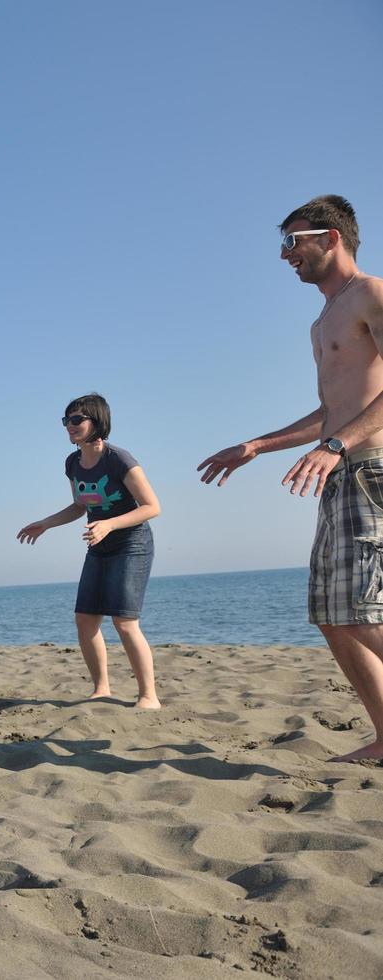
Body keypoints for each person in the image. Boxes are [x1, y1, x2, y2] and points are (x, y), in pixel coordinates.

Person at [198, 194, 383, 761]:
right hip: (338, 470)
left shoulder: (372, 294)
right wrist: (259, 445)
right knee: (331, 615)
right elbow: (331, 410)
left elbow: (349, 422)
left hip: (370, 468)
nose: (285, 256)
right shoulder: (322, 320)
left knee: (357, 608)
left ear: (331, 238)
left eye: (293, 242)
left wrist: (337, 445)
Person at [17, 394, 163, 708]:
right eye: (66, 420)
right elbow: (80, 506)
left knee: (124, 622)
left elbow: (152, 507)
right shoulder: (73, 462)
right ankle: (102, 689)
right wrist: (45, 523)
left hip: (131, 545)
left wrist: (109, 524)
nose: (69, 426)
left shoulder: (119, 460)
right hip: (98, 546)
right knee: (85, 619)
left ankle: (148, 696)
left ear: (96, 421)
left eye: (76, 420)